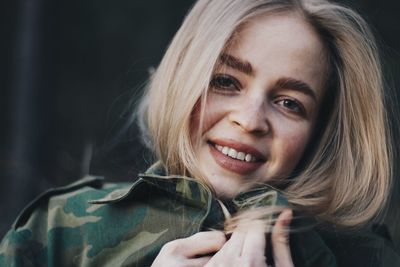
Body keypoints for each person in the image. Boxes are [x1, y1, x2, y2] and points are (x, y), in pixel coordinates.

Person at [1, 0, 399, 266]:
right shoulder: (58, 231)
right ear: (182, 77)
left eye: (289, 103)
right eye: (226, 81)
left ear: (319, 133)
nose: (250, 120)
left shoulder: (367, 257)